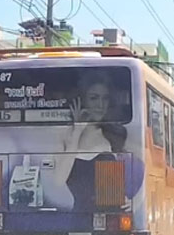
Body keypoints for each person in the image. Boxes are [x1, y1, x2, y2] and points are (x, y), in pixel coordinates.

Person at [54, 72, 128, 211]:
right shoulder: (65, 135)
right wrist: (76, 133)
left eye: (105, 98)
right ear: (82, 100)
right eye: (94, 98)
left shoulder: (115, 135)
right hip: (78, 215)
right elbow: (58, 181)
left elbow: (139, 175)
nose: (100, 105)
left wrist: (131, 201)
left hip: (110, 214)